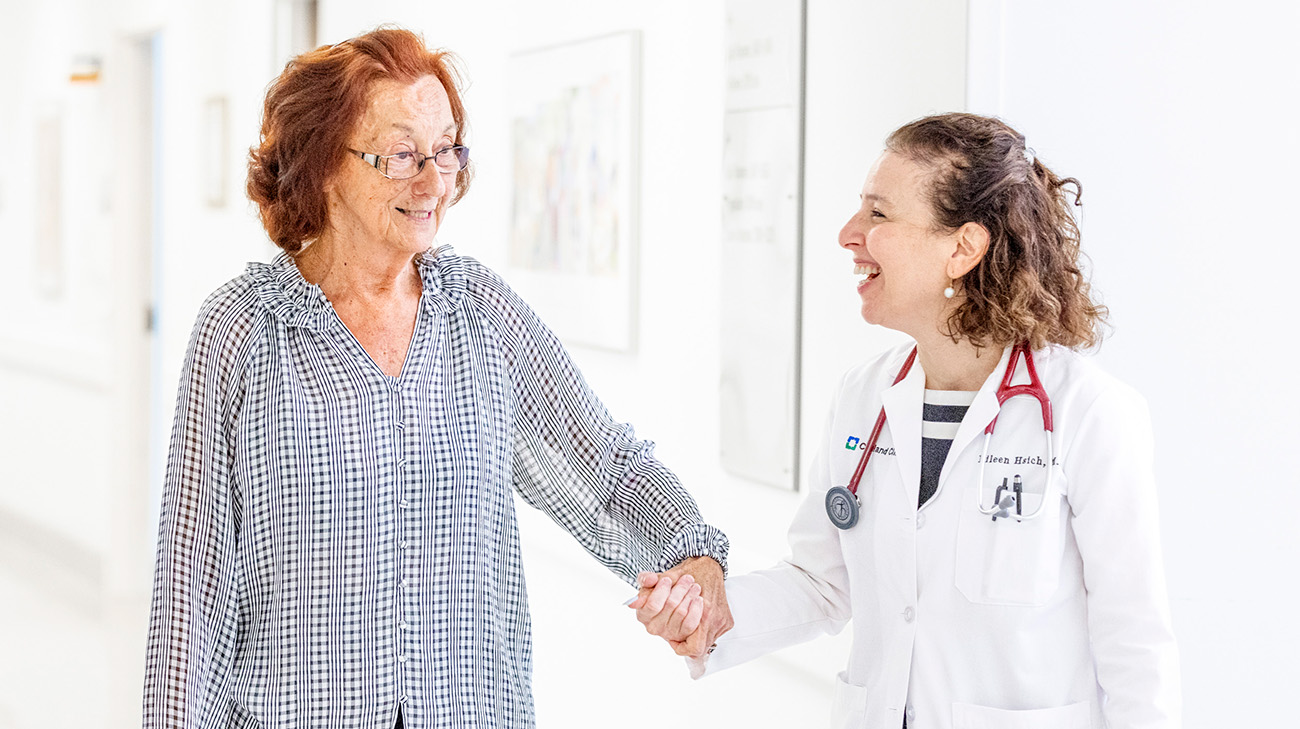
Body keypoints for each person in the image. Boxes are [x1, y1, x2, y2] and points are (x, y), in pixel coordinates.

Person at [142, 27, 732, 729]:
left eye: (446, 148)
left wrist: (695, 552)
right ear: (323, 164)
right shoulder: (242, 332)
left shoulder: (477, 313)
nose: (434, 181)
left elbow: (604, 466)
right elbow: (191, 591)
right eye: (400, 155)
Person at [632, 113, 1181, 728]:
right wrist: (713, 614)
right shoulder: (864, 395)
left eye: (878, 214)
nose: (848, 234)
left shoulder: (1089, 413)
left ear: (963, 248)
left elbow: (1135, 644)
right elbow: (821, 582)